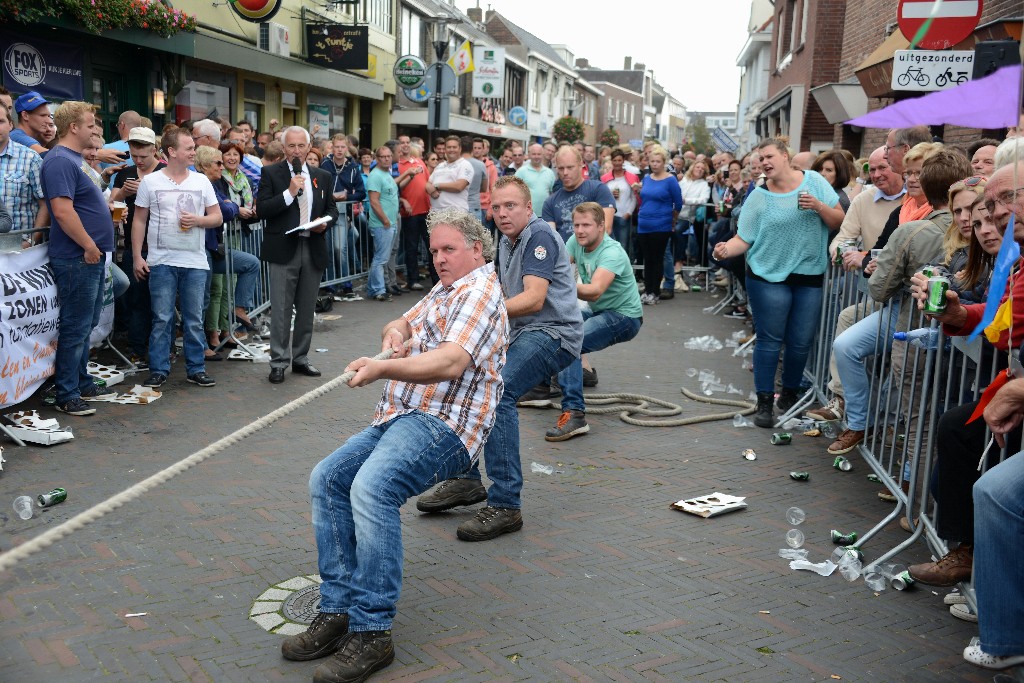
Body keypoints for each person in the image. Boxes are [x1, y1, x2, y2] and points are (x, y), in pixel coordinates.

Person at [281, 208, 507, 682]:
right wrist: (396, 332)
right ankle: (337, 608)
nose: (440, 259)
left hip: (445, 424)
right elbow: (406, 319)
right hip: (403, 415)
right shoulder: (446, 288)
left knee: (372, 487)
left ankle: (372, 631)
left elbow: (449, 362)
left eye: (449, 250)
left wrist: (382, 367)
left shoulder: (481, 293)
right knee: (328, 478)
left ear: (476, 251)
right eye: (435, 251)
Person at [416, 176, 582, 541]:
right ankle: (467, 479)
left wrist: (483, 311)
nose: (503, 213)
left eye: (511, 206)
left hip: (554, 333)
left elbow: (535, 299)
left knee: (498, 390)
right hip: (521, 332)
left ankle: (506, 504)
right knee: (465, 379)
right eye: (497, 207)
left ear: (528, 207)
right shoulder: (506, 242)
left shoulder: (538, 235)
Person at [825, 147, 966, 456]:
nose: (910, 178)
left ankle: (901, 473)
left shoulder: (914, 230)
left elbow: (878, 289)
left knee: (916, 407)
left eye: (916, 174)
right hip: (951, 326)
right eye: (909, 173)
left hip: (913, 323)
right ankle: (867, 426)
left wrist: (887, 270)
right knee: (849, 348)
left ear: (927, 186)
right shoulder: (972, 228)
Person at [713, 137, 844, 427]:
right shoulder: (759, 196)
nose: (764, 162)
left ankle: (789, 394)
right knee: (770, 340)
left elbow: (838, 220)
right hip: (767, 275)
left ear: (786, 156)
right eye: (761, 159)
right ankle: (763, 402)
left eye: (769, 156)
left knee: (800, 341)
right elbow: (743, 238)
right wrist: (724, 249)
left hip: (808, 273)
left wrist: (819, 207)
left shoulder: (814, 182)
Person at [39, 101, 119, 416]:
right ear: (73, 127)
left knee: (86, 323)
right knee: (76, 324)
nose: (94, 130)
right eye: (89, 125)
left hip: (87, 255)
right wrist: (87, 244)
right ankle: (67, 392)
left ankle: (81, 380)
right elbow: (61, 210)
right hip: (77, 256)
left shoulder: (70, 158)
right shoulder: (59, 160)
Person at [542, 203, 643, 441]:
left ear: (601, 227)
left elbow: (595, 291)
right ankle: (544, 386)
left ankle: (575, 414)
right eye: (576, 225)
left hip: (624, 316)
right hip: (599, 311)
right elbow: (555, 265)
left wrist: (555, 285)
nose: (579, 230)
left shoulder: (612, 252)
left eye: (586, 225)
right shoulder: (576, 243)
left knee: (570, 341)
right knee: (555, 331)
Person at [131, 127, 222, 389]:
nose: (194, 152)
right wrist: (138, 256)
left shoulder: (201, 181)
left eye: (193, 147)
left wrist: (198, 220)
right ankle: (159, 368)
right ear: (172, 152)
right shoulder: (151, 182)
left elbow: (216, 217)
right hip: (161, 261)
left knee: (194, 317)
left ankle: (196, 368)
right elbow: (139, 220)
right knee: (161, 317)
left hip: (194, 261)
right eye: (189, 148)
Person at [255, 126, 339, 384]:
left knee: (306, 308)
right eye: (291, 146)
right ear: (283, 148)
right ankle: (278, 362)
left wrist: (327, 222)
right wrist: (289, 193)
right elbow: (262, 210)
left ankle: (300, 358)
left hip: (312, 246)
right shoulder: (271, 173)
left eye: (301, 146)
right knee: (281, 308)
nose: (296, 151)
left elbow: (332, 209)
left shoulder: (322, 175)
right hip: (284, 248)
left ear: (309, 146)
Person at [110, 127, 164, 365]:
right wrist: (123, 192)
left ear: (154, 150)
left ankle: (162, 348)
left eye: (143, 156)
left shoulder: (165, 172)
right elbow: (111, 205)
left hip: (163, 244)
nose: (139, 161)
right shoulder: (126, 174)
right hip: (137, 245)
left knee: (162, 301)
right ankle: (137, 348)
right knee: (137, 299)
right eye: (134, 155)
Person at [635, 145, 683, 303]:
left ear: (664, 163)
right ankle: (647, 290)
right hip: (644, 223)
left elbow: (678, 203)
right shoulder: (647, 178)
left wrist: (673, 219)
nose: (654, 164)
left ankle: (655, 292)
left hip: (661, 224)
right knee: (647, 259)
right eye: (652, 161)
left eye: (658, 161)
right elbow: (644, 197)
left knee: (657, 259)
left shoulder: (670, 180)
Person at [542, 146, 615, 243]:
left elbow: (606, 228)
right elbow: (551, 239)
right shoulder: (550, 202)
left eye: (570, 167)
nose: (565, 173)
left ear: (581, 165)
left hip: (597, 255)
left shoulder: (598, 189)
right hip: (565, 256)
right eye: (561, 168)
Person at [0, 101, 48, 245]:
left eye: (0, 121)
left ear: (10, 124)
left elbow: (46, 204)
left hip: (20, 252)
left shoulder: (30, 158)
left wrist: (31, 241)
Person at [395, 134, 434, 290]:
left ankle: (437, 279)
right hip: (409, 213)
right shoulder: (397, 166)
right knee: (411, 248)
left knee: (432, 247)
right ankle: (413, 279)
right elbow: (394, 188)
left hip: (426, 210)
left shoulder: (419, 162)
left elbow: (428, 182)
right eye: (401, 143)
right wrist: (402, 201)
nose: (405, 145)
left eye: (407, 142)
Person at [366, 145, 400, 302]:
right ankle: (378, 290)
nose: (387, 159)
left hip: (390, 222)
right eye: (383, 157)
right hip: (382, 224)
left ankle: (373, 288)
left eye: (389, 156)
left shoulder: (387, 173)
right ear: (377, 159)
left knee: (382, 258)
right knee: (380, 259)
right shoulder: (376, 175)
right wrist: (385, 220)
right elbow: (374, 201)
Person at [601, 148, 640, 251]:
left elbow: (634, 197)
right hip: (608, 216)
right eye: (615, 160)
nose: (617, 163)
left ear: (623, 161)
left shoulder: (631, 177)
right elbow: (601, 195)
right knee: (608, 245)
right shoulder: (605, 178)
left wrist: (628, 213)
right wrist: (610, 194)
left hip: (624, 216)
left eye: (619, 160)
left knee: (623, 245)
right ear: (612, 161)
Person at [426, 136, 472, 211]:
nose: (451, 150)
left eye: (454, 147)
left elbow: (459, 186)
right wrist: (431, 190)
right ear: (445, 149)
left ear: (460, 149)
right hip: (436, 213)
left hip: (455, 213)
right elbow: (428, 183)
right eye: (449, 147)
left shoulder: (465, 164)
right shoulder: (440, 166)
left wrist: (436, 186)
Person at [515, 143, 556, 210]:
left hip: (545, 214)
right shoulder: (521, 171)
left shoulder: (550, 173)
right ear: (529, 155)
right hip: (526, 214)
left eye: (539, 154)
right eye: (534, 154)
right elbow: (514, 192)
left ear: (542, 155)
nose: (536, 156)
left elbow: (553, 194)